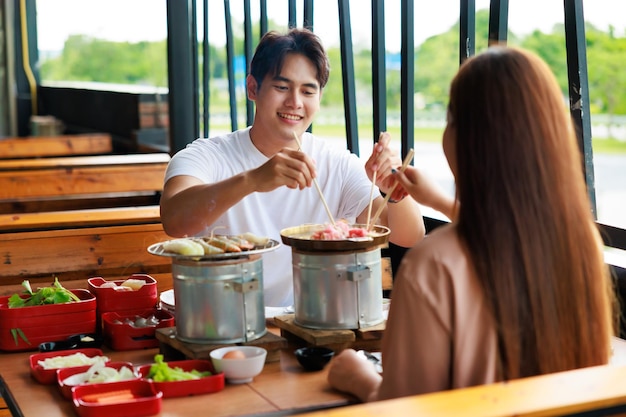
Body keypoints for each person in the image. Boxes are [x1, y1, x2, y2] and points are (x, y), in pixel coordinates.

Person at [327, 45, 617, 401]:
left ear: (467, 140)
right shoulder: (579, 242)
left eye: (452, 118)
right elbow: (508, 234)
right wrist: (436, 201)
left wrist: (360, 378)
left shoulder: (433, 263)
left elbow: (403, 407)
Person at [160, 28, 425, 307]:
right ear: (252, 88)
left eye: (308, 90)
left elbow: (410, 236)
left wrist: (393, 191)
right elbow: (174, 220)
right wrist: (253, 179)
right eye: (282, 87)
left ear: (319, 98)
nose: (295, 103)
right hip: (227, 325)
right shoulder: (206, 155)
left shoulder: (337, 162)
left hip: (310, 327)